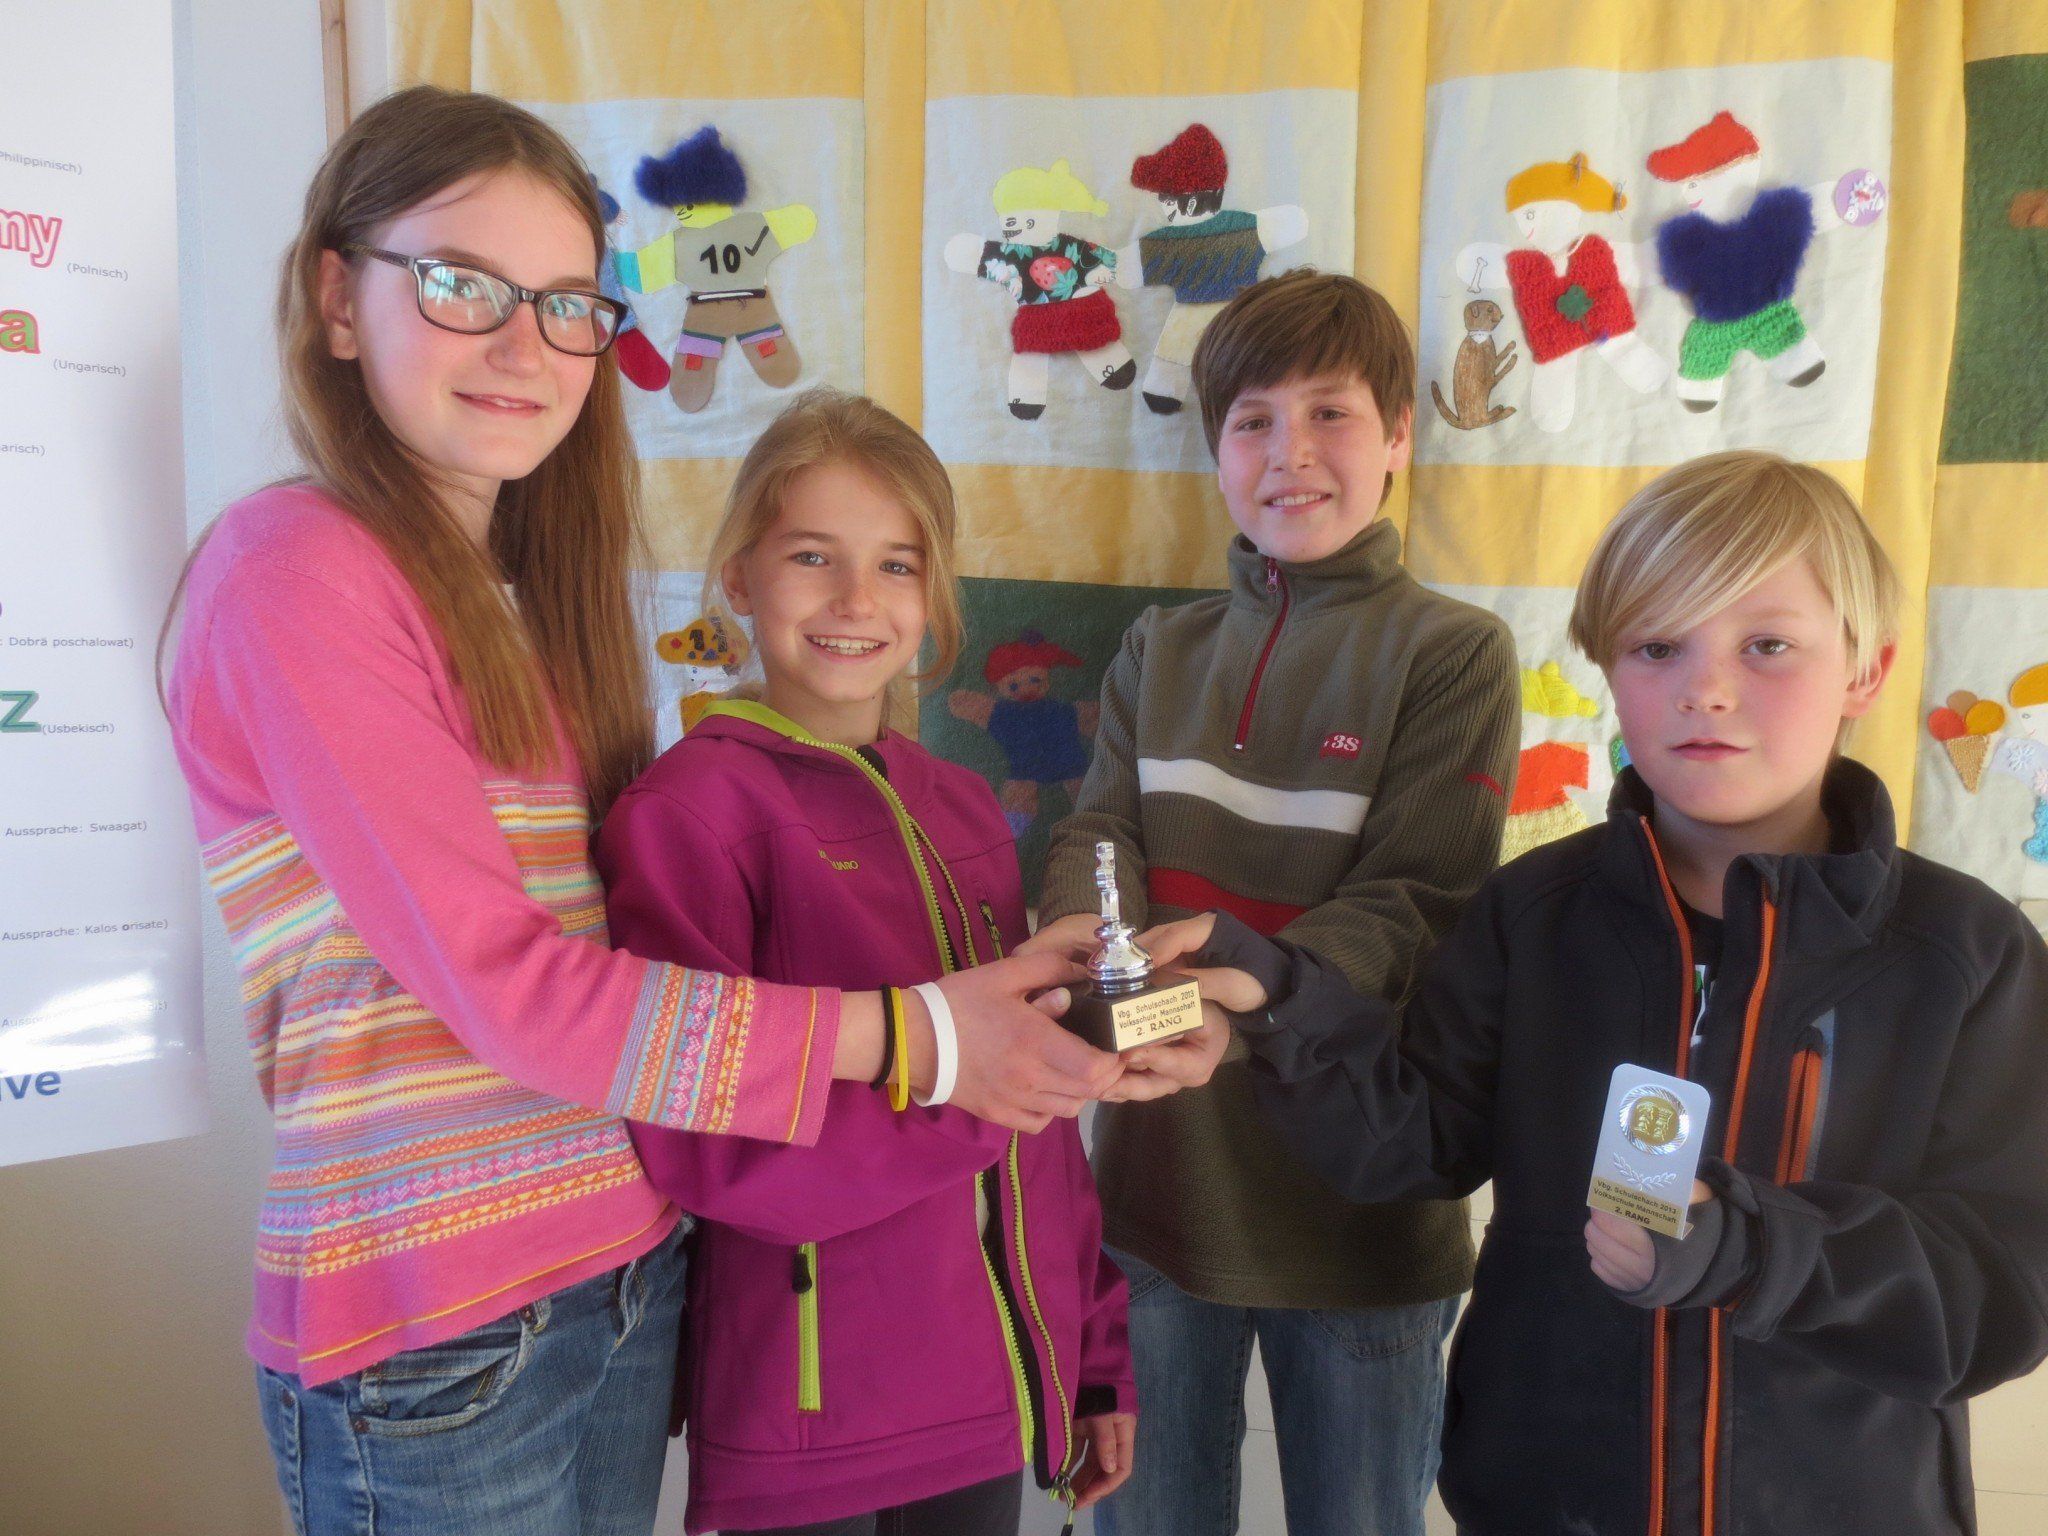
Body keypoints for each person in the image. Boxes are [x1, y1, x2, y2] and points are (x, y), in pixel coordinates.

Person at [161, 87, 1112, 1536]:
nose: (522, 345)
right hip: (444, 1329)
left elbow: (709, 1014)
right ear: (338, 298)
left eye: (563, 304)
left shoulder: (539, 612)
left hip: (623, 1284)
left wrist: (1121, 1016)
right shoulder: (292, 568)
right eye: (462, 283)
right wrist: (935, 1041)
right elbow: (509, 991)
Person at [1147, 451, 2048, 1535]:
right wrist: (1281, 999)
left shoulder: (1962, 952)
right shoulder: (1535, 912)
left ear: (1865, 669)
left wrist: (1750, 1249)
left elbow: (2001, 1288)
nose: (1704, 688)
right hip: (1545, 1501)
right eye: (1656, 645)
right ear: (1607, 670)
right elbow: (1414, 1140)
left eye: (1765, 645)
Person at [1027, 268, 1520, 1535]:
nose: (1288, 454)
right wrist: (1106, 969)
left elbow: (1417, 903)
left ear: (1400, 435)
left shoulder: (1454, 651)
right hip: (1153, 1201)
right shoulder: (1157, 646)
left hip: (1362, 1224)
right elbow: (1096, 832)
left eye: (1330, 415)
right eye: (1251, 419)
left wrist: (1231, 1000)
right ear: (1213, 450)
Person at [595, 389, 1136, 1535]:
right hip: (805, 1424)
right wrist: (989, 1095)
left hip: (987, 1394)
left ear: (932, 596)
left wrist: (1088, 1353)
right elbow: (706, 1145)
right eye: (811, 557)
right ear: (740, 578)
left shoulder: (962, 803)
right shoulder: (687, 814)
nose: (855, 601)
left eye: (895, 565)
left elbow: (1043, 1134)